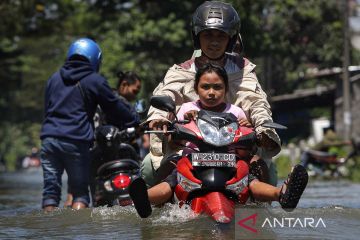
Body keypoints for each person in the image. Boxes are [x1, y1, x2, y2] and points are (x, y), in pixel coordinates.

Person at [130, 63, 308, 217]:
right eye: (205, 87)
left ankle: (281, 194)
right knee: (172, 179)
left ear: (226, 88)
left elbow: (245, 148)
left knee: (250, 178)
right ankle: (144, 199)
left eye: (217, 87)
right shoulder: (186, 108)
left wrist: (249, 128)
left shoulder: (236, 112)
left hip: (230, 160)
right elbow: (173, 137)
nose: (211, 92)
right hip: (191, 159)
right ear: (196, 88)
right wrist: (180, 122)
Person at [142, 1, 281, 188]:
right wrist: (159, 118)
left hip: (235, 147)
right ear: (197, 37)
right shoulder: (180, 71)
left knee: (268, 172)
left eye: (220, 36)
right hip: (189, 148)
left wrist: (263, 128)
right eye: (207, 35)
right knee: (149, 168)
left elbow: (256, 102)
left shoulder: (243, 69)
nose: (214, 42)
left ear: (231, 39)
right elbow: (167, 93)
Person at [40, 38, 140, 212]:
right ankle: (80, 233)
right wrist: (134, 120)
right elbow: (113, 106)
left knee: (50, 193)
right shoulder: (94, 80)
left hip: (49, 140)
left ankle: (49, 232)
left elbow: (47, 109)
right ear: (95, 59)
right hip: (76, 140)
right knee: (80, 193)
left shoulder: (54, 78)